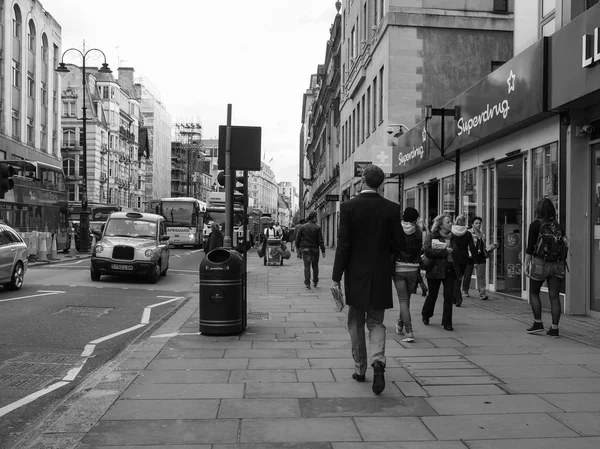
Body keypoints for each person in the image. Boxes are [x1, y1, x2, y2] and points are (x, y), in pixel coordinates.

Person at [331, 164, 405, 395]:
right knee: (377, 322)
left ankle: (360, 368)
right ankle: (378, 363)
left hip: (356, 275)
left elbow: (344, 245)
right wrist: (385, 254)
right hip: (380, 274)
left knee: (355, 322)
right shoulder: (392, 208)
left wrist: (336, 278)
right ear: (381, 183)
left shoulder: (348, 207)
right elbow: (400, 243)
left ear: (363, 180)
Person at [523, 198, 567, 337]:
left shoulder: (535, 225)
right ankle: (554, 328)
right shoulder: (557, 226)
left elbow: (530, 247)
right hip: (558, 264)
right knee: (554, 296)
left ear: (538, 210)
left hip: (540, 263)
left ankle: (538, 323)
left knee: (534, 292)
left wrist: (526, 264)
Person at [421, 214, 457, 331]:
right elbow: (427, 250)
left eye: (451, 221)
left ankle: (447, 322)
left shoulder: (454, 237)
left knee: (448, 296)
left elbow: (458, 252)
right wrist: (444, 252)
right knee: (433, 295)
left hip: (449, 270)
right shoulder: (432, 236)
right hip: (435, 269)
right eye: (448, 222)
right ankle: (426, 314)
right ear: (440, 225)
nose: (451, 223)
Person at [393, 207, 422, 343]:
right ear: (415, 218)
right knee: (406, 299)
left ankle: (409, 331)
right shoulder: (418, 231)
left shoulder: (397, 229)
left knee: (403, 300)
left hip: (398, 268)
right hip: (413, 269)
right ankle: (400, 322)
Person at [462, 216, 496, 301]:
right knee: (467, 275)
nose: (478, 225)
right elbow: (467, 246)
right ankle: (465, 290)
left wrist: (489, 248)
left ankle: (482, 294)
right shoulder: (468, 233)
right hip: (470, 256)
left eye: (480, 223)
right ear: (472, 224)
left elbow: (482, 246)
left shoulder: (482, 234)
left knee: (481, 276)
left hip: (481, 256)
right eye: (476, 223)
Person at [451, 214, 477, 307]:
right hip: (464, 258)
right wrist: (475, 260)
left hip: (453, 257)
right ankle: (455, 298)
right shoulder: (467, 233)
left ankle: (458, 298)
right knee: (459, 276)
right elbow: (472, 247)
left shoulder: (452, 232)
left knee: (455, 277)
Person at [296, 211, 325, 288]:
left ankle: (307, 283)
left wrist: (298, 247)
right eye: (316, 217)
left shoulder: (303, 227)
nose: (317, 219)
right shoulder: (317, 227)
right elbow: (320, 240)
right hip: (315, 248)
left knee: (307, 266)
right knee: (315, 266)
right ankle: (315, 281)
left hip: (305, 248)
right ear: (314, 218)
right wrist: (323, 251)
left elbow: (298, 238)